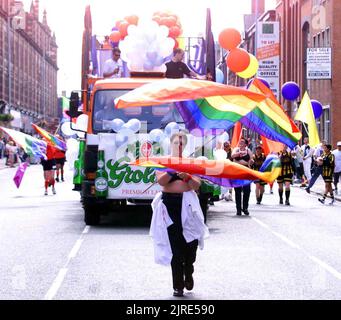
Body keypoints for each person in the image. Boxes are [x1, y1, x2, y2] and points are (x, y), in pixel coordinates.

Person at [153, 132, 205, 297]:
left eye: (182, 143)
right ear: (171, 144)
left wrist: (187, 176)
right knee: (175, 245)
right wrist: (172, 172)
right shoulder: (163, 162)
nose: (179, 145)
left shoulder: (191, 162)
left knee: (191, 242)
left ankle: (188, 270)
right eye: (176, 142)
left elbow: (196, 185)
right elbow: (161, 182)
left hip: (188, 205)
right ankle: (178, 285)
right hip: (169, 205)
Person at [231, 138, 253, 215]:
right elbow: (232, 156)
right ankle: (238, 209)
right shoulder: (236, 149)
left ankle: (245, 208)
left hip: (246, 172)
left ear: (246, 144)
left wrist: (250, 161)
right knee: (238, 191)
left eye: (243, 142)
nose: (241, 142)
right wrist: (238, 154)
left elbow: (251, 159)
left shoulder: (248, 150)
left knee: (247, 190)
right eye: (240, 141)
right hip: (237, 172)